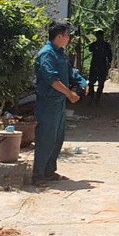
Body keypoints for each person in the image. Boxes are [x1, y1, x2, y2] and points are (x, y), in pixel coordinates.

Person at [32, 21, 80, 185]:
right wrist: (69, 94)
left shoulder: (59, 53)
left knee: (57, 138)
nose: (69, 38)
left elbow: (69, 71)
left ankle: (49, 171)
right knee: (46, 138)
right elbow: (52, 79)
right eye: (67, 35)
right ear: (59, 36)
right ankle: (38, 175)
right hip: (48, 103)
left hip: (58, 103)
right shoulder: (47, 54)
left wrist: (82, 82)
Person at [87, 29, 113, 105]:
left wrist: (109, 63)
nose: (99, 38)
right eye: (97, 36)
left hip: (102, 65)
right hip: (94, 65)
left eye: (99, 36)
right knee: (91, 82)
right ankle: (92, 97)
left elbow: (109, 55)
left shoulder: (106, 45)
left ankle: (97, 99)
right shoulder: (94, 44)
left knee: (101, 83)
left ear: (102, 36)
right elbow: (90, 49)